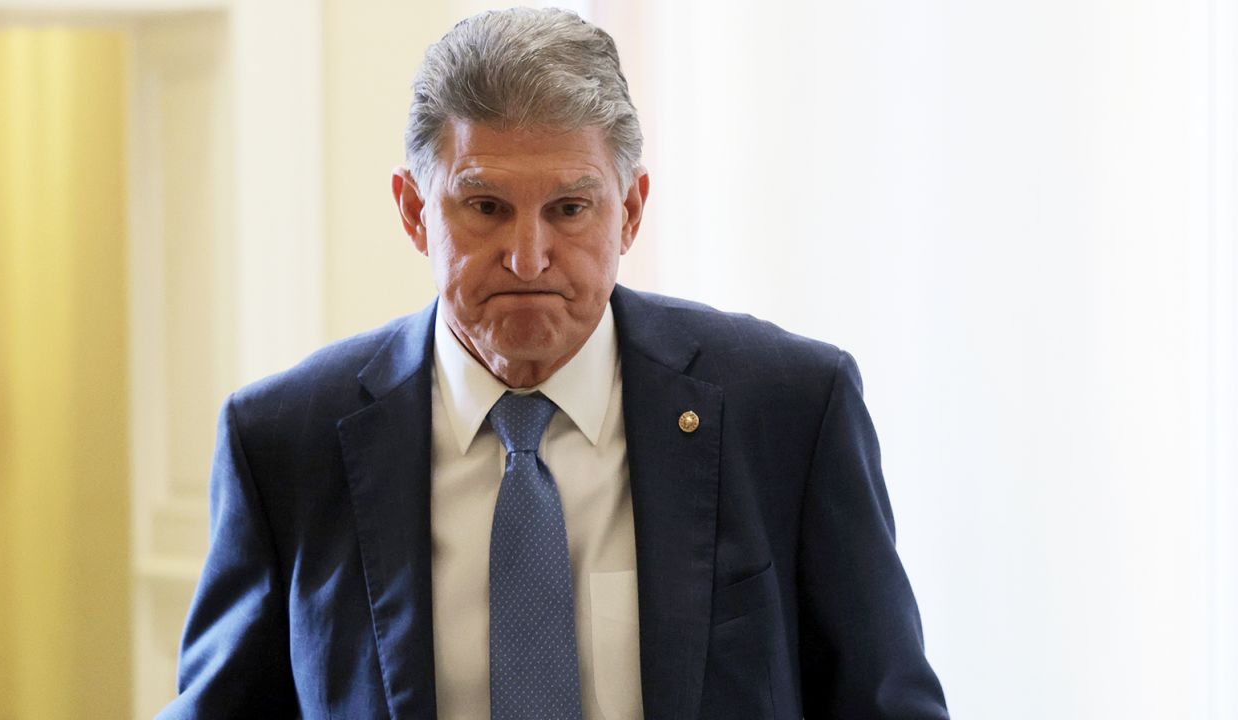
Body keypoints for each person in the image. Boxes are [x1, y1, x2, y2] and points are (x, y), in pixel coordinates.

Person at [159, 8, 948, 719]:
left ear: (630, 211)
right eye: (485, 207)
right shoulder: (285, 443)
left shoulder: (789, 408)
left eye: (569, 209)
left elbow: (887, 703)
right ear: (413, 210)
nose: (528, 257)